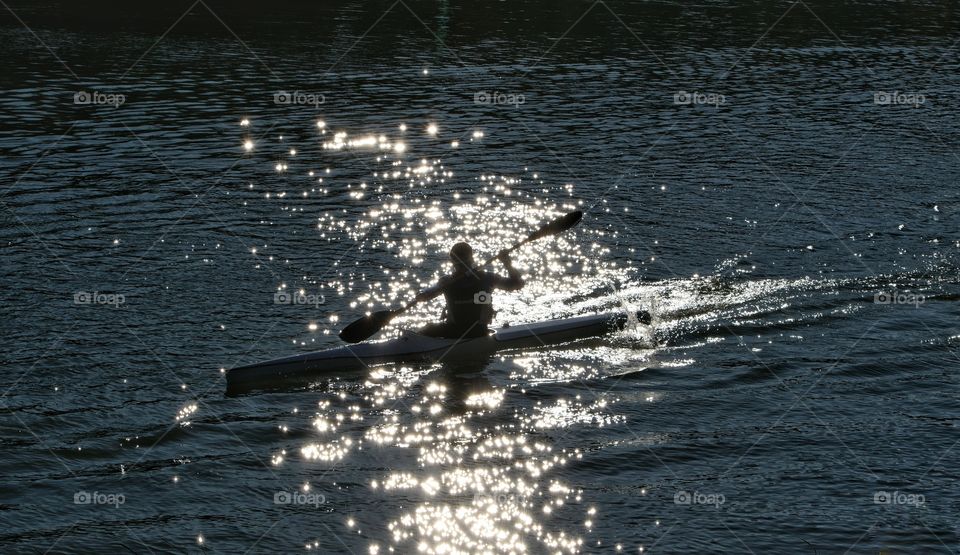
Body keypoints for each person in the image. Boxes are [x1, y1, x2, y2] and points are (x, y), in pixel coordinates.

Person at [414, 242, 524, 338]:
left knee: (429, 328)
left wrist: (421, 295)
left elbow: (425, 296)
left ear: (452, 261)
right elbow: (517, 284)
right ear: (472, 259)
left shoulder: (446, 282)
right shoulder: (488, 278)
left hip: (453, 332)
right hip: (479, 332)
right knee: (430, 327)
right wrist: (507, 263)